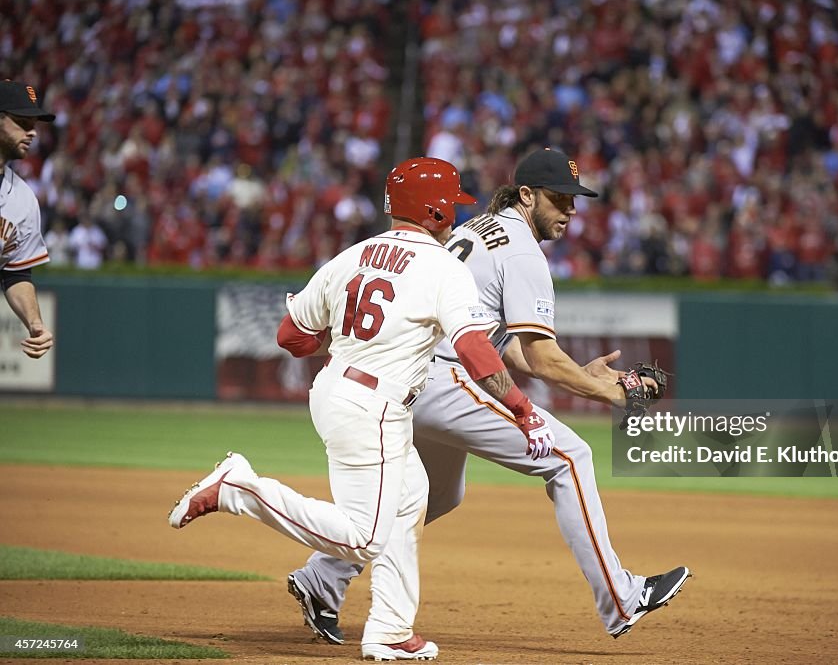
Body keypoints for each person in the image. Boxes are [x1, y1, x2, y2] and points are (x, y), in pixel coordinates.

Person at [289, 148, 690, 644]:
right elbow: (538, 359)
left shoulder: (479, 227)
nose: (569, 209)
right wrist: (612, 395)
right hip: (443, 375)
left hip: (418, 374)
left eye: (574, 200)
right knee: (569, 457)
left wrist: (592, 379)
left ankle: (323, 578)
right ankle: (621, 596)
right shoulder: (522, 249)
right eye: (558, 198)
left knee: (439, 493)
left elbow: (509, 346)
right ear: (527, 195)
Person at [168, 157, 558, 662]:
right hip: (371, 405)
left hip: (347, 391)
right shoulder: (444, 268)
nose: (457, 217)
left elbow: (290, 336)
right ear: (437, 212)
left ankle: (391, 629)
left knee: (411, 499)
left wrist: (345, 337)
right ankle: (240, 489)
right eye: (453, 206)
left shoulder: (354, 254)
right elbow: (474, 349)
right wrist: (522, 408)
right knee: (363, 538)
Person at [0, 80, 55, 359]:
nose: (32, 132)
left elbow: (15, 273)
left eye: (34, 123)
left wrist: (34, 322)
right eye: (22, 122)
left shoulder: (22, 201)